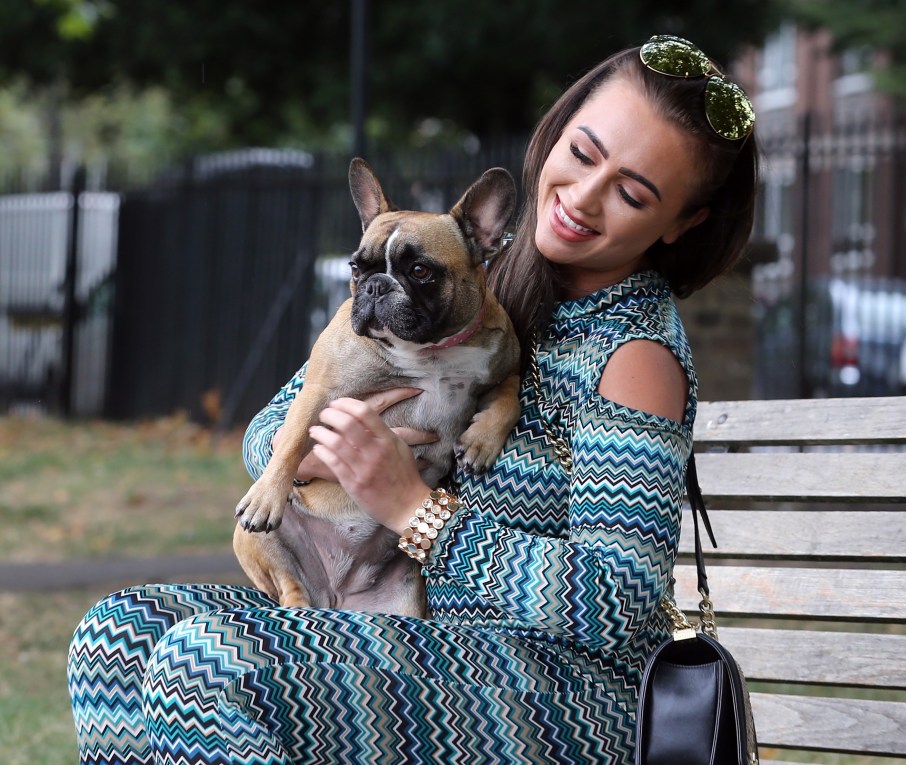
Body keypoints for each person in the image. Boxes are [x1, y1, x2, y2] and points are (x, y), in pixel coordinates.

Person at [68, 35, 757, 764]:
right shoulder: (468, 278)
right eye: (584, 154)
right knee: (120, 631)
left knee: (211, 661)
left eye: (632, 191)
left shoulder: (634, 355)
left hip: (566, 694)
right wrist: (338, 449)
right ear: (554, 134)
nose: (584, 197)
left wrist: (414, 510)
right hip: (416, 636)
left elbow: (616, 604)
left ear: (683, 222)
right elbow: (272, 427)